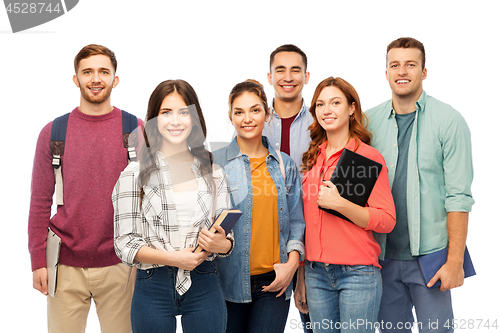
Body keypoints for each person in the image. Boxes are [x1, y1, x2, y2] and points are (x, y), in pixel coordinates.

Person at [28, 44, 141, 333]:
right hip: (64, 264)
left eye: (104, 71)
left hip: (121, 264)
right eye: (87, 71)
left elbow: (151, 198)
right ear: (76, 79)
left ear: (115, 79)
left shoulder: (136, 130)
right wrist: (37, 260)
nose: (95, 79)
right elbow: (40, 201)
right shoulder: (54, 132)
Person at [366, 37, 474, 332]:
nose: (402, 71)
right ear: (386, 72)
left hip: (431, 258)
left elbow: (459, 197)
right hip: (381, 258)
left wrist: (454, 262)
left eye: (410, 64)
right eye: (395, 65)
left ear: (424, 72)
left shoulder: (449, 121)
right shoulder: (368, 122)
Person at [112, 79, 233, 333]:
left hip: (204, 280)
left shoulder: (214, 172)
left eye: (184, 112)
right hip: (152, 282)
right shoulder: (134, 173)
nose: (175, 121)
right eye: (166, 112)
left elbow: (226, 240)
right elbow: (124, 244)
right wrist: (174, 258)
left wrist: (220, 244)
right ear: (154, 120)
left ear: (195, 118)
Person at [296, 77, 396, 333]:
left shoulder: (365, 157)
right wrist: (302, 275)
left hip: (358, 274)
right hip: (316, 274)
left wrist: (341, 204)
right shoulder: (312, 157)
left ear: (352, 108)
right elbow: (304, 223)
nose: (326, 110)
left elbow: (386, 220)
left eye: (335, 102)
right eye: (320, 104)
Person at [212, 79, 305, 333]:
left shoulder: (284, 165)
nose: (247, 118)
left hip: (274, 282)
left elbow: (297, 223)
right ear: (230, 117)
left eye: (254, 110)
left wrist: (291, 267)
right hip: (226, 282)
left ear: (267, 113)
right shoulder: (215, 163)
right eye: (239, 112)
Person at [265, 43, 314, 333]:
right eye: (280, 70)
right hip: (266, 246)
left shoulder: (320, 122)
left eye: (296, 70)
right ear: (269, 77)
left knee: (316, 325)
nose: (288, 76)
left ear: (306, 76)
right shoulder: (252, 121)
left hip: (315, 246)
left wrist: (303, 270)